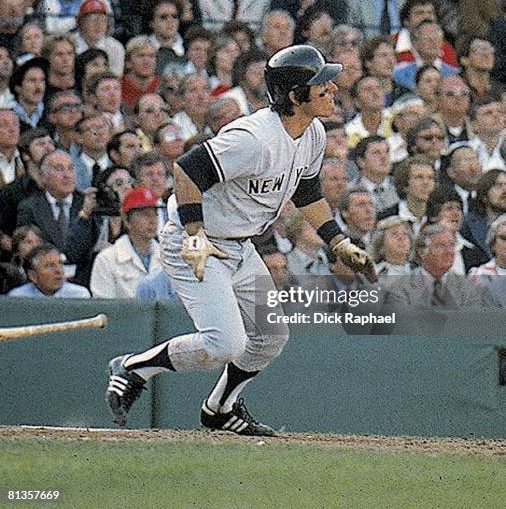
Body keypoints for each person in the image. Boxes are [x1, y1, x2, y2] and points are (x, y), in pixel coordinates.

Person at [104, 44, 375, 433]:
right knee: (224, 345)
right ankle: (132, 367)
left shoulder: (312, 132)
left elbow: (307, 190)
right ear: (296, 97)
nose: (332, 89)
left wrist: (336, 240)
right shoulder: (252, 137)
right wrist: (195, 233)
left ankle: (220, 408)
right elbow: (186, 171)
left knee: (271, 336)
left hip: (239, 244)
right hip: (197, 242)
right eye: (322, 85)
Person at [90, 186, 162, 297]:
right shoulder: (107, 259)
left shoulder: (167, 257)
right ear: (126, 219)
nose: (152, 220)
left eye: (155, 213)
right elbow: (103, 306)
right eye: (144, 214)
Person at [8, 243, 90, 297]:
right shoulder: (18, 297)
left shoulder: (79, 295)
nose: (59, 271)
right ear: (33, 276)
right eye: (50, 266)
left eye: (60, 263)